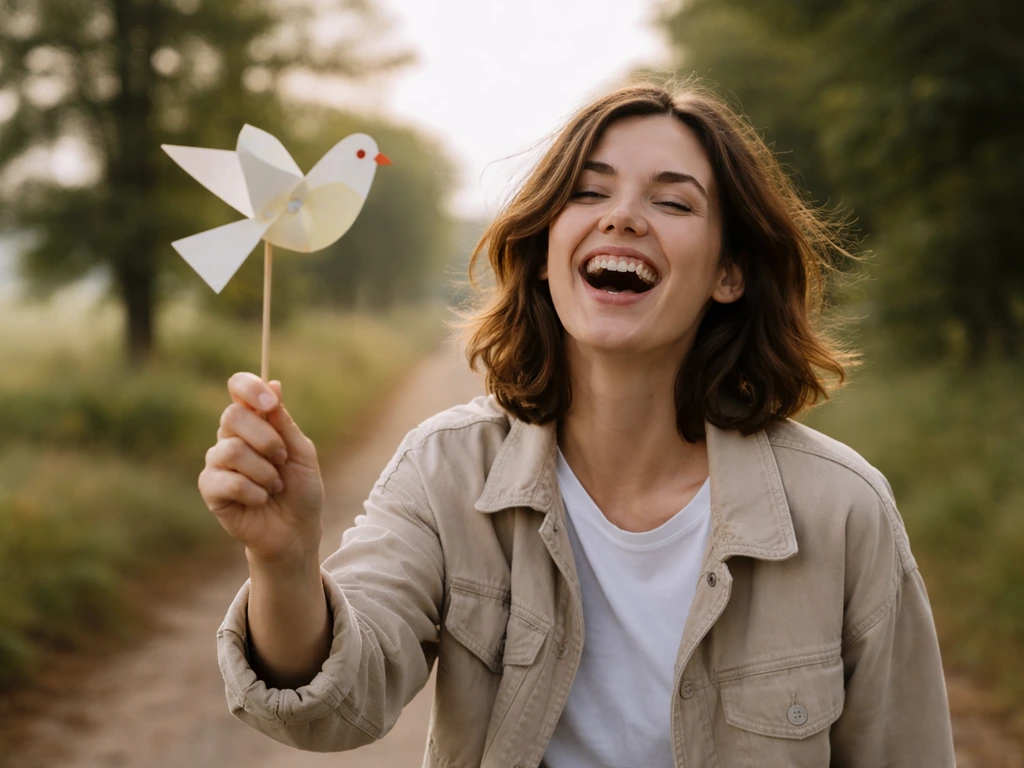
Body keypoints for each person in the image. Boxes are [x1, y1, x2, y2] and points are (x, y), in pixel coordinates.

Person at [199, 81, 956, 767]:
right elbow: (333, 709)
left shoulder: (844, 510)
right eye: (589, 194)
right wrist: (285, 560)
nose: (623, 217)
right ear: (542, 252)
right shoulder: (445, 471)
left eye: (674, 202)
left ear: (730, 273)